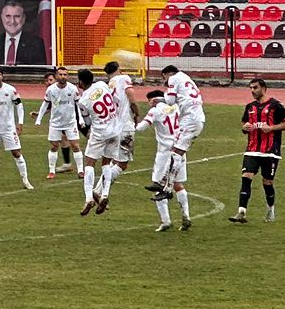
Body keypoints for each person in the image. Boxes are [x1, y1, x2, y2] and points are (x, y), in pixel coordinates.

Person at [230, 77, 285, 224]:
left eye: (255, 88)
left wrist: (271, 128)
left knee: (267, 182)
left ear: (264, 88)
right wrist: (245, 128)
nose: (252, 91)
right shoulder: (250, 107)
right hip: (252, 149)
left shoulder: (276, 106)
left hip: (270, 151)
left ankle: (270, 209)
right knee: (246, 177)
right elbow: (244, 123)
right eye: (250, 88)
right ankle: (241, 212)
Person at [78, 62, 135, 216]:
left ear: (80, 83)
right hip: (116, 129)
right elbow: (115, 99)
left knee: (89, 163)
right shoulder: (102, 85)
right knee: (107, 163)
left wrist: (88, 134)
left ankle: (89, 197)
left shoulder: (83, 101)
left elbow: (86, 122)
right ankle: (104, 195)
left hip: (100, 132)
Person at [141, 89, 196, 233]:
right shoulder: (176, 106)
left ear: (153, 100)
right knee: (178, 184)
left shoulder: (156, 110)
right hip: (179, 149)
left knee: (158, 185)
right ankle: (186, 216)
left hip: (164, 154)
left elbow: (141, 127)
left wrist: (130, 126)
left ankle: (165, 221)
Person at [37, 65, 82, 182]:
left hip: (70, 122)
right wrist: (39, 119)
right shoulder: (51, 90)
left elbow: (78, 105)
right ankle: (51, 171)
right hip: (55, 123)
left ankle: (81, 170)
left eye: (65, 74)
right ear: (57, 76)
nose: (62, 77)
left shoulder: (73, 89)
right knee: (54, 146)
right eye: (60, 74)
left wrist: (80, 119)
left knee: (75, 145)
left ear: (68, 76)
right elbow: (45, 104)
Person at [0, 0, 48, 68]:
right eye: (8, 16)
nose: (12, 21)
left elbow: (40, 72)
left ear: (23, 18)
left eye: (17, 16)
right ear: (2, 17)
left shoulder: (37, 43)